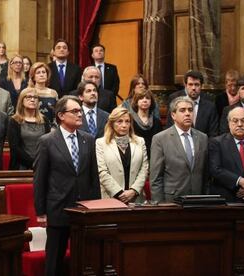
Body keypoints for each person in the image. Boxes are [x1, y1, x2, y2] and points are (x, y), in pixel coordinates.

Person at [34, 95, 101, 276]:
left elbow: (93, 176)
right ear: (61, 115)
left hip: (84, 209)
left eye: (80, 111)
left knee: (85, 259)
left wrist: (96, 207)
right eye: (75, 111)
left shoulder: (88, 139)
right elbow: (40, 178)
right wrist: (41, 212)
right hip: (58, 208)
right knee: (55, 260)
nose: (80, 114)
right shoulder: (47, 141)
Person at [150, 96, 208, 203]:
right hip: (172, 201)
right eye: (182, 110)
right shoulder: (160, 139)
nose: (187, 113)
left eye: (190, 110)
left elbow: (205, 174)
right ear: (173, 115)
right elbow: (156, 178)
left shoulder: (202, 138)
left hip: (198, 200)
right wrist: (159, 205)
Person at [96, 106, 148, 203]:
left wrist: (133, 190)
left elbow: (144, 169)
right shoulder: (101, 143)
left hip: (135, 198)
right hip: (111, 198)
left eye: (127, 121)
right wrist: (119, 192)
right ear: (112, 123)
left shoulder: (140, 141)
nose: (124, 125)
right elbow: (102, 172)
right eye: (119, 121)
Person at [209, 106, 244, 202]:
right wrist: (240, 181)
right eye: (235, 121)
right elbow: (215, 170)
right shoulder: (217, 143)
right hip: (227, 201)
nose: (240, 124)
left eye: (243, 120)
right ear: (229, 123)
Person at [8, 88, 51, 170]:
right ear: (21, 101)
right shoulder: (14, 121)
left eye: (35, 97)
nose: (32, 100)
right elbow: (15, 148)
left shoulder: (44, 120)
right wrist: (33, 163)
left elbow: (48, 144)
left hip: (42, 165)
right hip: (21, 166)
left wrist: (41, 162)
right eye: (28, 97)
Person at [166, 70, 218, 137]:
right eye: (190, 84)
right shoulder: (174, 99)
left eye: (197, 85)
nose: (193, 88)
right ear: (185, 85)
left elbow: (213, 134)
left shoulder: (210, 105)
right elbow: (170, 127)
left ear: (201, 86)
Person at [131, 88, 162, 158]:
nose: (145, 100)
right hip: (135, 157)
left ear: (151, 102)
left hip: (154, 157)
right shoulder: (130, 121)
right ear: (136, 102)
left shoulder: (157, 122)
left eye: (147, 98)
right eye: (141, 98)